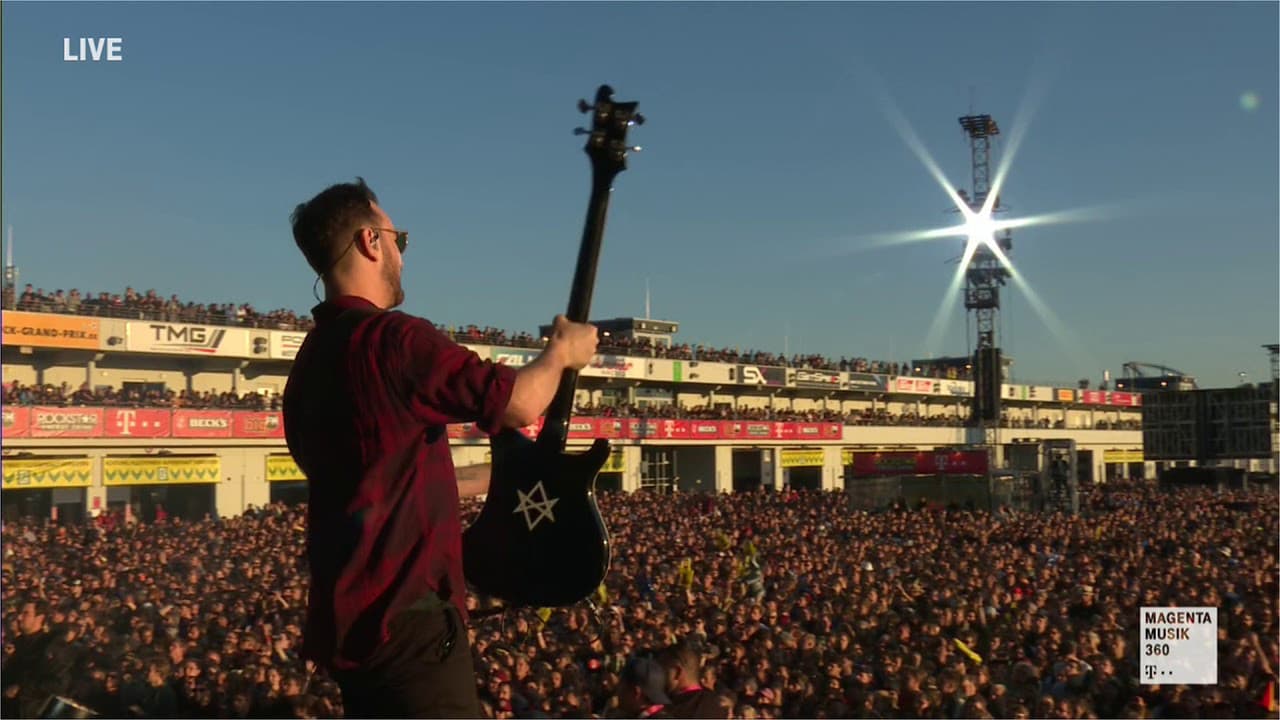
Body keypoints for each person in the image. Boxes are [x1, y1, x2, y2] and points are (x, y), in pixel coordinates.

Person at [282, 178, 599, 718]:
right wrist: (562, 353)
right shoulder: (393, 339)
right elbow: (519, 403)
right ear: (370, 242)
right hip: (410, 623)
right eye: (398, 239)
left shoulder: (308, 365)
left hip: (352, 630)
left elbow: (374, 477)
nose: (403, 256)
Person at [658, 642, 729, 718]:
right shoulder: (718, 706)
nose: (657, 676)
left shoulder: (672, 711)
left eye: (661, 670)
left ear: (677, 672)